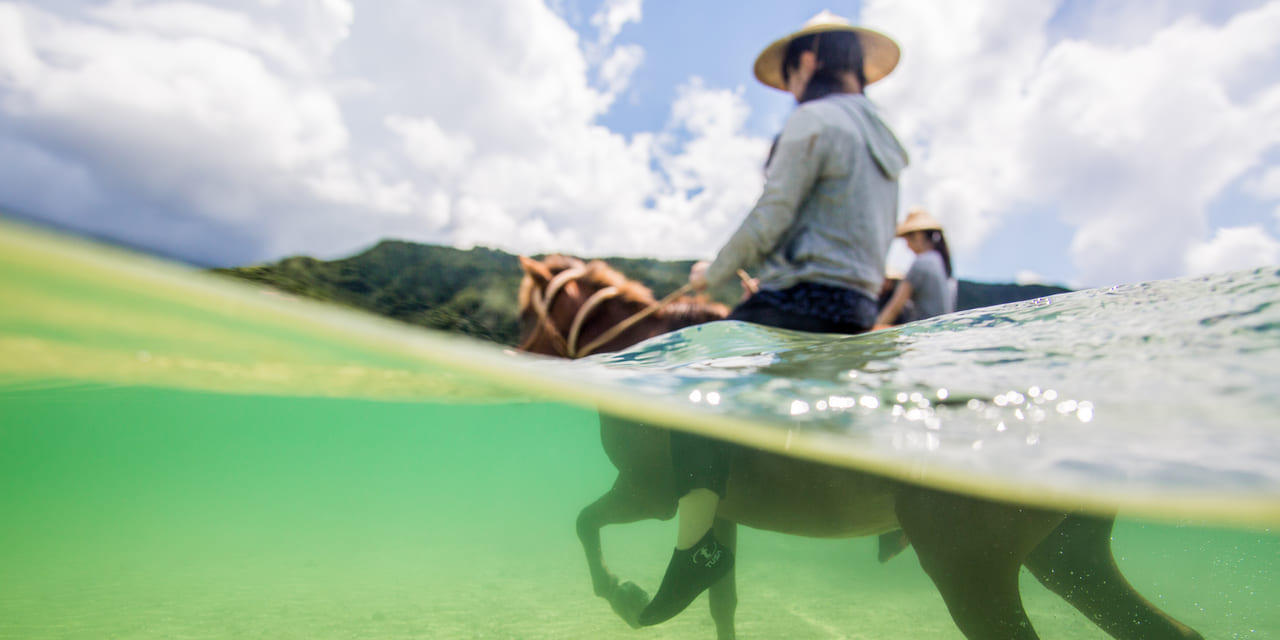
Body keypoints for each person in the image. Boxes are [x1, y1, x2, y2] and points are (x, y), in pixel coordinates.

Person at [637, 10, 909, 626]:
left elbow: (771, 213)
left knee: (692, 378)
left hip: (804, 303)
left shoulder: (813, 119)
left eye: (790, 70)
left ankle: (695, 551)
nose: (788, 84)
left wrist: (717, 268)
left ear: (809, 60)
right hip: (853, 307)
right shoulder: (885, 138)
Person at [873, 208, 956, 330]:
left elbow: (894, 308)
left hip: (925, 335)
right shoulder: (940, 263)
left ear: (918, 235)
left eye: (907, 240)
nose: (907, 246)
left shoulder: (921, 263)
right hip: (942, 333)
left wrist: (868, 337)